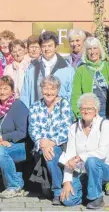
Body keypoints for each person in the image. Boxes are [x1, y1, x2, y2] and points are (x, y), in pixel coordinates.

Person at [60, 93, 109, 209]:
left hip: (104, 169)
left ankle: (96, 198)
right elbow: (69, 156)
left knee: (91, 161)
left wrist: (79, 157)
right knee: (68, 200)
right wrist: (67, 181)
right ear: (80, 110)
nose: (86, 111)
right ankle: (88, 189)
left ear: (96, 110)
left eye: (90, 108)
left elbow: (102, 152)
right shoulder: (74, 128)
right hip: (82, 172)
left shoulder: (105, 124)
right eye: (83, 108)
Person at [29, 75, 72, 205]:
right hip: (42, 145)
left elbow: (66, 128)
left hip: (60, 144)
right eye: (46, 89)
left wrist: (51, 143)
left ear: (57, 90)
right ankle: (51, 187)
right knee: (48, 153)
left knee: (51, 155)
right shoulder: (35, 106)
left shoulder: (64, 104)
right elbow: (33, 129)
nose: (49, 92)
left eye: (52, 89)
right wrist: (42, 144)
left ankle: (57, 191)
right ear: (41, 90)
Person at [0, 76, 29, 198]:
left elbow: (23, 132)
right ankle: (18, 184)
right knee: (1, 150)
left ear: (12, 90)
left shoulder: (18, 105)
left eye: (5, 88)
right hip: (2, 145)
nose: (2, 91)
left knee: (0, 152)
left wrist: (2, 138)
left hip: (22, 146)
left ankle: (14, 186)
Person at [20, 31, 75, 109]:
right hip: (36, 115)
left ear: (56, 47)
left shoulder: (67, 69)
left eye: (50, 46)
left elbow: (72, 94)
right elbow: (25, 95)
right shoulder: (32, 68)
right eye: (44, 46)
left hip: (60, 114)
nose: (47, 49)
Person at [71, 37, 109, 119]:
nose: (92, 52)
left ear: (99, 50)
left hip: (108, 113)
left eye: (95, 48)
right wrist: (79, 114)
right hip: (89, 114)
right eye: (89, 49)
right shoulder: (81, 70)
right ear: (86, 52)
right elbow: (76, 95)